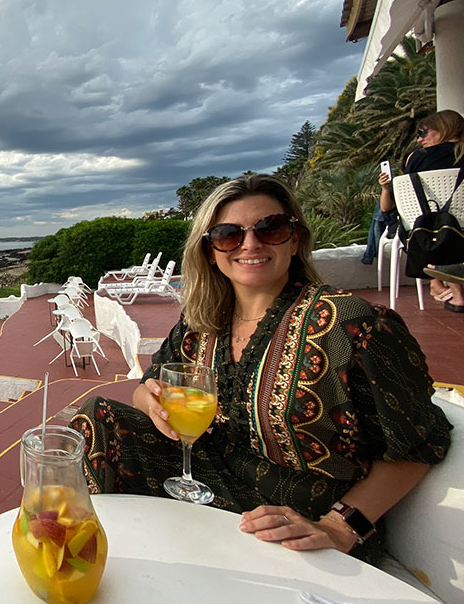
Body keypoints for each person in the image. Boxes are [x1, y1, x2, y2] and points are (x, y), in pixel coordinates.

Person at [71, 174, 451, 560]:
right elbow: (152, 382)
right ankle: (80, 563)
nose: (250, 244)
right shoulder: (201, 321)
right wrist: (147, 398)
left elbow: (420, 443)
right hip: (206, 477)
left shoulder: (348, 322)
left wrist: (338, 527)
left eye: (270, 228)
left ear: (295, 239)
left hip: (297, 514)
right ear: (209, 251)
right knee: (95, 419)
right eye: (227, 234)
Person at [362, 109, 464, 265]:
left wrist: (386, 188)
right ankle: (444, 283)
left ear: (444, 129)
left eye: (423, 133)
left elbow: (388, 207)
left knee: (391, 213)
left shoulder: (419, 156)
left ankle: (438, 283)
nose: (419, 140)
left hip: (426, 228)